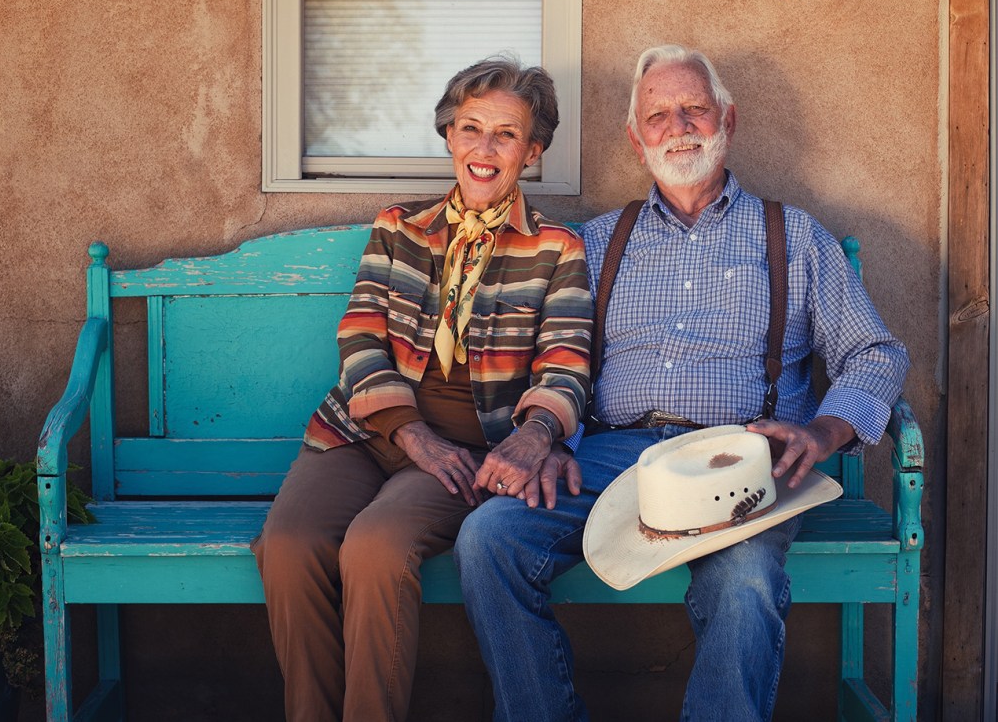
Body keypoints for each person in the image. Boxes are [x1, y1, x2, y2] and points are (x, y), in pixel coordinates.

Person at [454, 44, 909, 722]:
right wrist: (546, 431)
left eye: (694, 107)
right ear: (638, 141)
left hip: (744, 461)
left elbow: (876, 352)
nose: (679, 124)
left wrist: (821, 429)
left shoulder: (793, 236)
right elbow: (558, 356)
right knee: (488, 539)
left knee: (747, 582)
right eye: (658, 115)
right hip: (614, 458)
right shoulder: (600, 241)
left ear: (729, 118)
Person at [252, 57, 592, 722]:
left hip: (466, 449)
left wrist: (534, 435)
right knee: (288, 545)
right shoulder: (399, 228)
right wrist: (409, 432)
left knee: (377, 548)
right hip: (364, 432)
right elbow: (359, 339)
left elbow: (567, 363)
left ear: (534, 150)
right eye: (470, 128)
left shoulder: (556, 248)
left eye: (505, 134)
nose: (484, 149)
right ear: (448, 136)